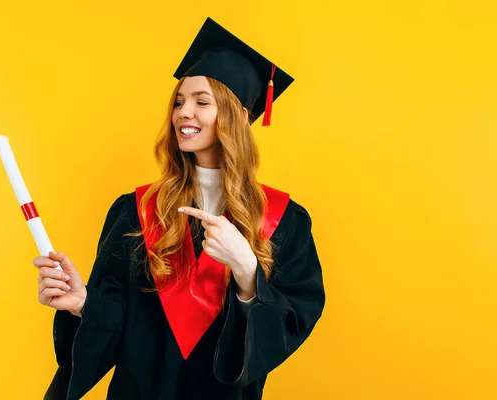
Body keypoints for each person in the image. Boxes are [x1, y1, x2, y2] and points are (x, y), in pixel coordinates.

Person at [33, 17, 325, 400]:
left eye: (202, 102)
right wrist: (84, 303)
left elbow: (289, 322)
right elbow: (123, 319)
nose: (183, 113)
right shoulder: (136, 211)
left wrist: (248, 270)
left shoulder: (284, 220)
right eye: (179, 101)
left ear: (237, 116)